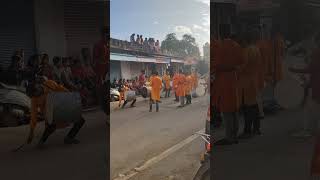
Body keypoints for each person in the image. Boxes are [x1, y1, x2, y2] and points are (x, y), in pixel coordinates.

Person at [27, 76, 85, 146]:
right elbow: (34, 116)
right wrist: (31, 132)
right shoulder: (34, 100)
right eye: (33, 96)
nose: (35, 96)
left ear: (38, 87)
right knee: (51, 125)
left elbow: (63, 90)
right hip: (49, 114)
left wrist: (71, 99)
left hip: (60, 108)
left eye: (35, 94)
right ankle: (41, 142)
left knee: (80, 120)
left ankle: (69, 137)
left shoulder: (50, 84)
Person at [212, 30, 245, 146]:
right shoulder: (237, 46)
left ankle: (229, 137)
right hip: (234, 78)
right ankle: (234, 134)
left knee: (226, 110)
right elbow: (242, 62)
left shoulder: (220, 47)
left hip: (223, 80)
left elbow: (215, 65)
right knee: (234, 108)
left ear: (220, 35)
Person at [289, 33, 320, 137]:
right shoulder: (315, 53)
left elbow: (311, 69)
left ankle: (308, 130)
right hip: (314, 83)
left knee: (309, 108)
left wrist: (294, 70)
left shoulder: (317, 53)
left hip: (316, 85)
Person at [238, 32, 262, 139]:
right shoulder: (256, 49)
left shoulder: (246, 50)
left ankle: (247, 130)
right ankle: (257, 128)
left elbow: (243, 65)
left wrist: (235, 70)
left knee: (247, 107)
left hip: (246, 82)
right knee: (254, 105)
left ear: (245, 40)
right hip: (254, 80)